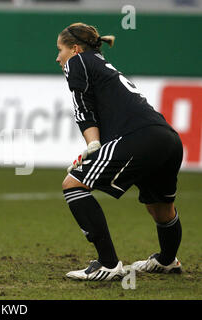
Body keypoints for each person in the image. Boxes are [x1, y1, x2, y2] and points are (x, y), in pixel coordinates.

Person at [56, 22, 183, 281]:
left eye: (60, 50)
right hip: (166, 138)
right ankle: (167, 260)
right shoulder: (100, 65)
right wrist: (94, 145)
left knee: (73, 185)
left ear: (75, 49)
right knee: (161, 208)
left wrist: (92, 144)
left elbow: (83, 109)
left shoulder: (77, 62)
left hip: (139, 137)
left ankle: (108, 264)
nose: (58, 57)